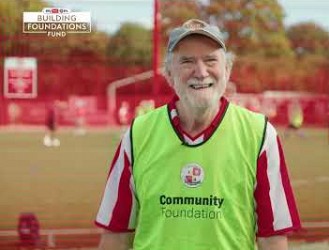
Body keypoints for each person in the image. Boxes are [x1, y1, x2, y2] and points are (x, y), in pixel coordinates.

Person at [95, 19, 301, 250]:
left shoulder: (260, 134)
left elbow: (272, 239)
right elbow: (116, 237)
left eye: (211, 60)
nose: (201, 72)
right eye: (187, 61)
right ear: (169, 74)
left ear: (227, 70)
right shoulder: (137, 134)